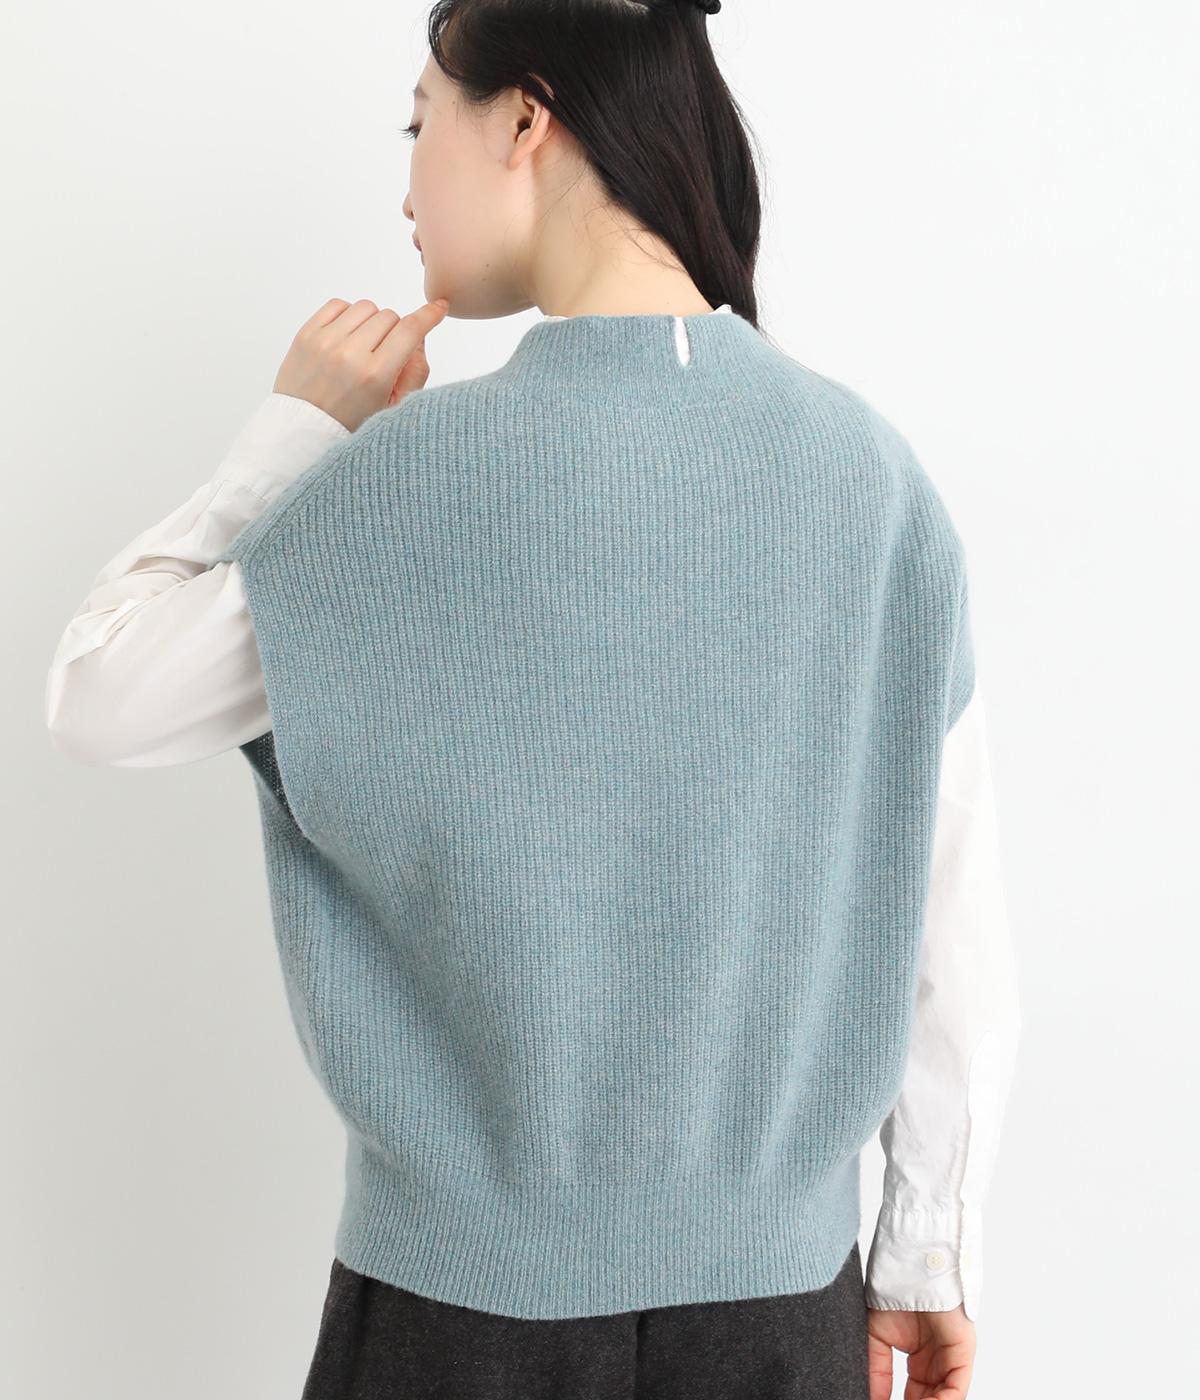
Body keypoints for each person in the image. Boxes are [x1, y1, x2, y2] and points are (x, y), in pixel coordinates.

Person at [44, 2, 1021, 1397]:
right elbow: (949, 916)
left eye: (418, 121)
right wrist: (926, 1253)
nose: (404, 186)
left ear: (524, 116)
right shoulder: (872, 484)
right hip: (782, 1321)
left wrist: (293, 436)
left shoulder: (392, 494)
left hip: (454, 1324)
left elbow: (101, 695)